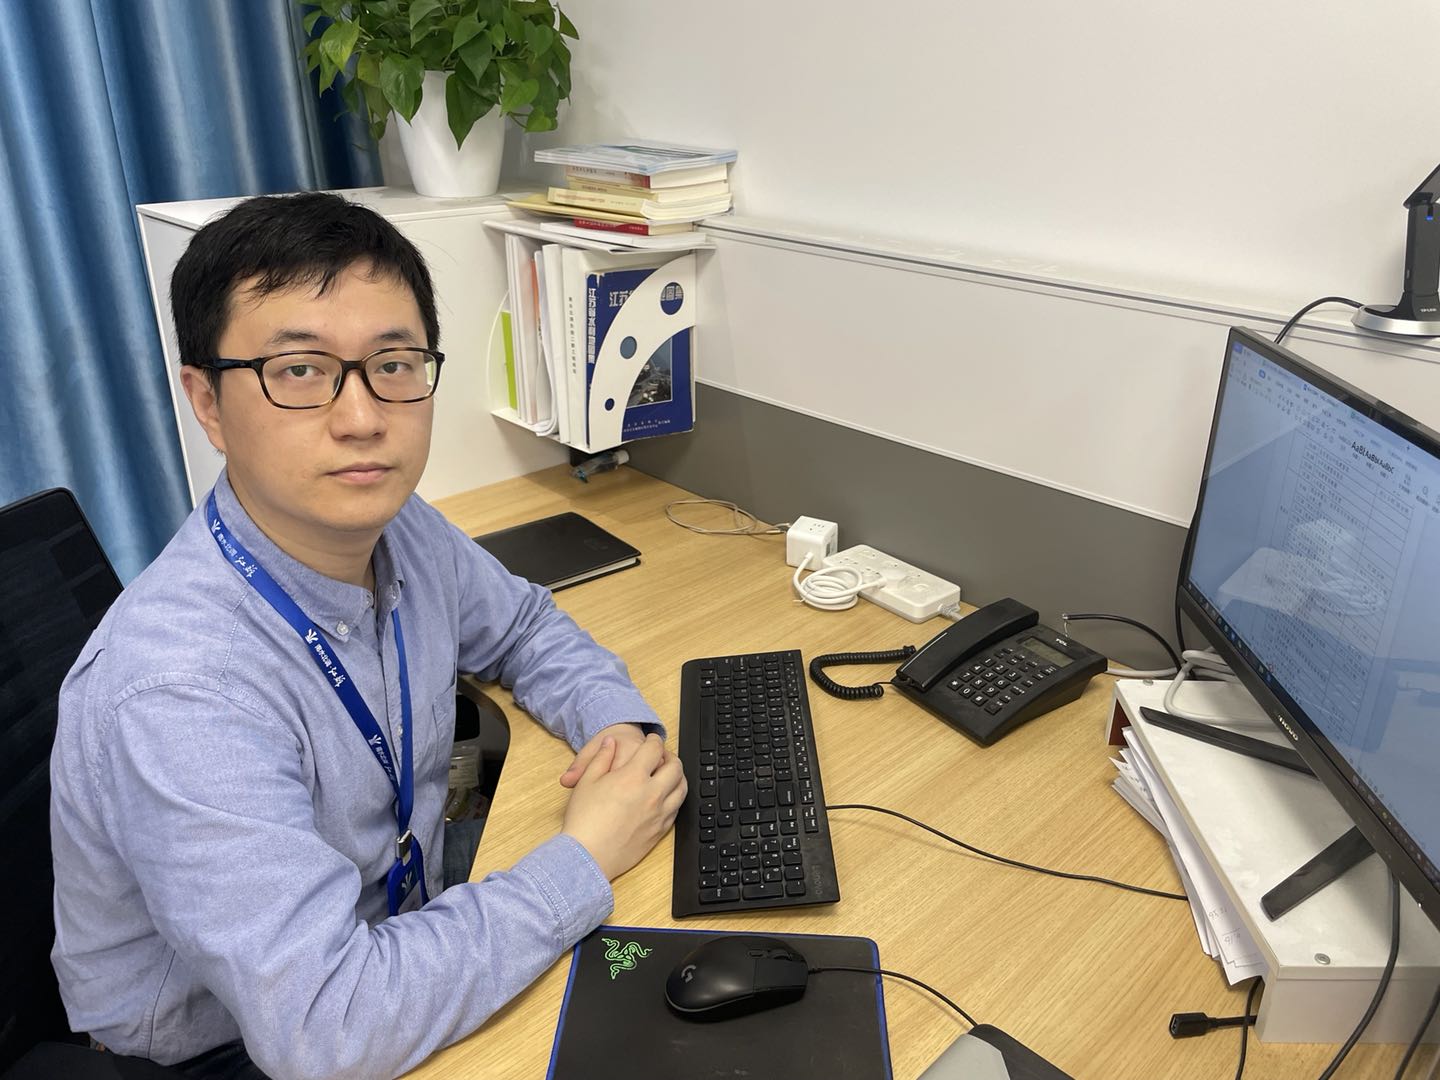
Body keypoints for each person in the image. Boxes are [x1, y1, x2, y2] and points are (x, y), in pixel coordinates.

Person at [49, 192, 687, 1080]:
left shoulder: (395, 526)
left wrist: (611, 723)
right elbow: (325, 1028)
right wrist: (583, 859)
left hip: (390, 930)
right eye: (299, 371)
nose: (362, 418)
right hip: (232, 1045)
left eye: (393, 363)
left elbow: (524, 626)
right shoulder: (181, 689)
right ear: (207, 401)